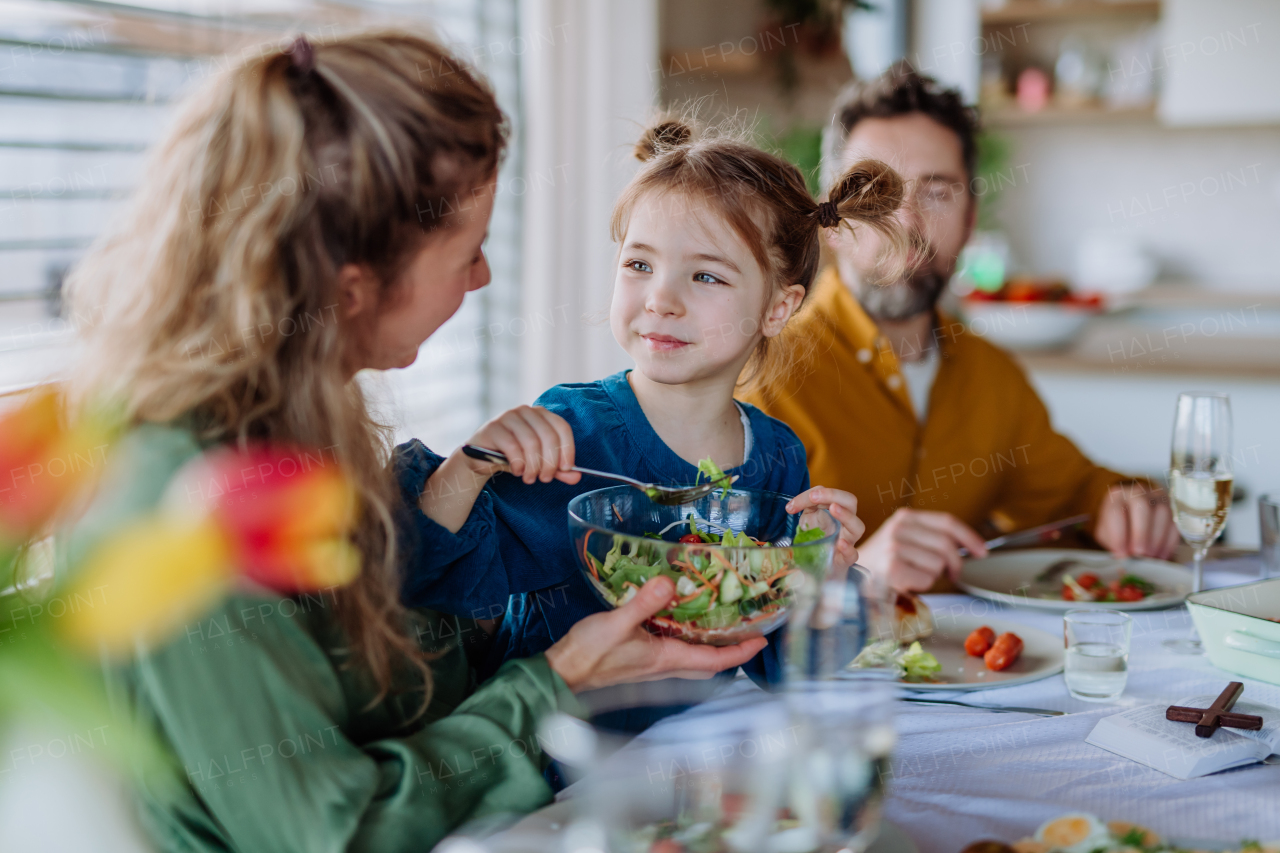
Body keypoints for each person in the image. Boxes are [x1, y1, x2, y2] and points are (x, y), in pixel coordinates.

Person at [60, 32, 765, 852]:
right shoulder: (183, 518)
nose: (483, 278)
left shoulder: (294, 432)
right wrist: (557, 680)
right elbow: (341, 831)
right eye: (467, 252)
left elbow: (379, 695)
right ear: (352, 286)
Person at [404, 119, 906, 717]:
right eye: (639, 265)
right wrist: (471, 463)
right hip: (552, 765)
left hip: (693, 764)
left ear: (778, 308)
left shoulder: (777, 456)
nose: (660, 299)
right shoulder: (572, 429)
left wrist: (826, 576)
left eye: (705, 276)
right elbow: (432, 589)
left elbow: (783, 663)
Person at [741, 63, 1178, 594]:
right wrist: (855, 578)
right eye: (876, 193)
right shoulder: (758, 374)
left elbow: (1081, 491)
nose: (907, 224)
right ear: (830, 220)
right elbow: (711, 575)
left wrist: (1126, 502)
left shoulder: (994, 379)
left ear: (971, 221)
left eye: (937, 192)